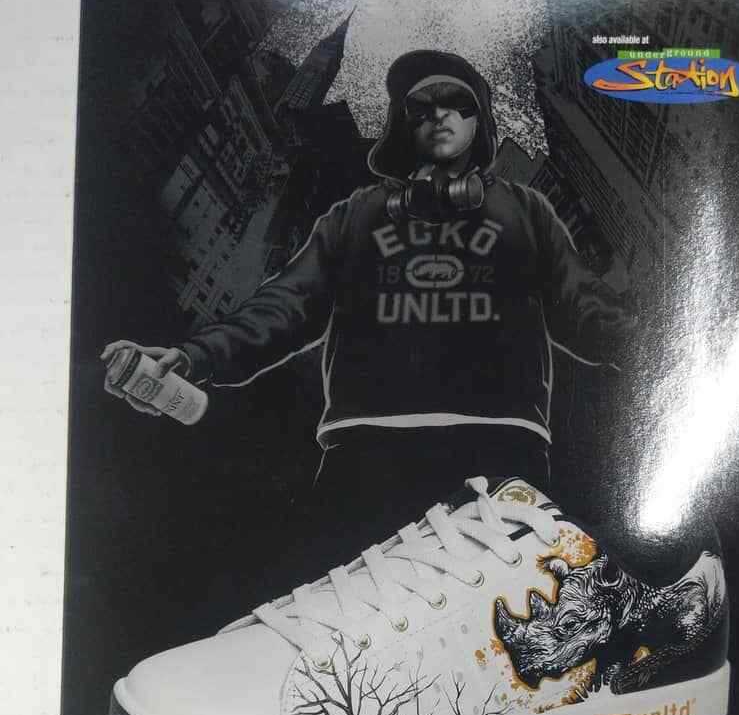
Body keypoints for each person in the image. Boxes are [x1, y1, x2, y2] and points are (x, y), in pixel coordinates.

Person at [102, 49, 636, 548]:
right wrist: (195, 356)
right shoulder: (354, 214)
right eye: (421, 107)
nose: (439, 114)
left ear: (481, 122)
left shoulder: (525, 209)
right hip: (365, 455)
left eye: (458, 103)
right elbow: (285, 304)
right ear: (402, 126)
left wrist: (657, 350)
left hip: (501, 451)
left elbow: (582, 303)